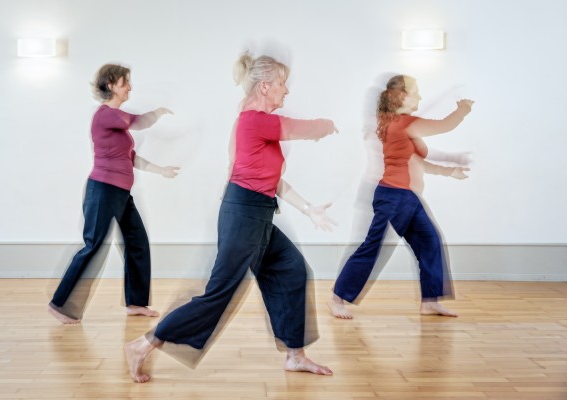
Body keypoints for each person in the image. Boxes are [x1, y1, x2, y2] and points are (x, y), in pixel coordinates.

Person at [124, 52, 337, 383]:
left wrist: (309, 208)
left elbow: (272, 181)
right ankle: (144, 343)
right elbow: (303, 129)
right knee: (219, 294)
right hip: (244, 216)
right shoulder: (254, 120)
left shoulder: (252, 123)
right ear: (265, 86)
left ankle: (296, 356)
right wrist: (325, 125)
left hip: (258, 214)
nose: (287, 91)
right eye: (282, 83)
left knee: (293, 270)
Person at [329, 74, 473, 319]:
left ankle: (429, 301)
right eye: (416, 92)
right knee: (372, 247)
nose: (420, 97)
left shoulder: (396, 123)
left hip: (407, 197)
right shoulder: (401, 123)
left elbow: (420, 161)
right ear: (403, 96)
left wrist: (450, 170)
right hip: (392, 196)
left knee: (430, 242)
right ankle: (337, 298)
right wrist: (462, 109)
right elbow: (444, 125)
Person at [47, 63, 180, 324]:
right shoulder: (106, 115)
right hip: (103, 190)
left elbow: (130, 157)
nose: (129, 87)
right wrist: (160, 111)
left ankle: (136, 302)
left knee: (137, 242)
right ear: (110, 85)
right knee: (93, 245)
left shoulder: (117, 123)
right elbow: (139, 121)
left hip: (121, 192)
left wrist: (160, 169)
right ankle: (60, 304)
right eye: (124, 82)